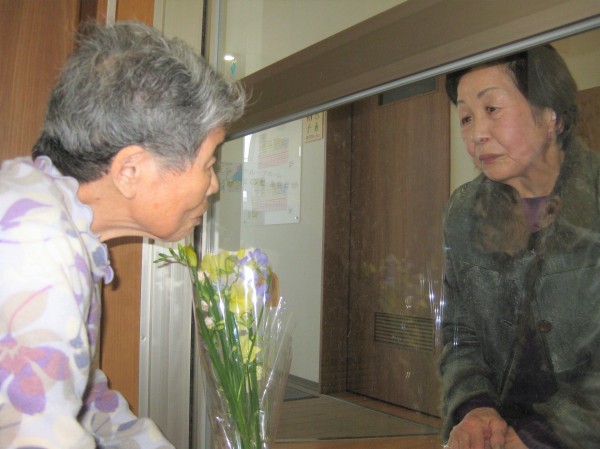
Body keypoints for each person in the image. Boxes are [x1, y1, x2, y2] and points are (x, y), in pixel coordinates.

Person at [0, 20, 245, 448]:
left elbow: (83, 398)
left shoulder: (57, 221)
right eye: (208, 163)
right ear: (130, 170)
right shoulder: (35, 245)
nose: (213, 185)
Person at [440, 44, 600, 449]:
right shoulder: (463, 211)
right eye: (466, 117)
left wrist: (543, 436)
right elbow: (459, 332)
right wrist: (474, 407)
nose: (477, 134)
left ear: (550, 116)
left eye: (492, 109)